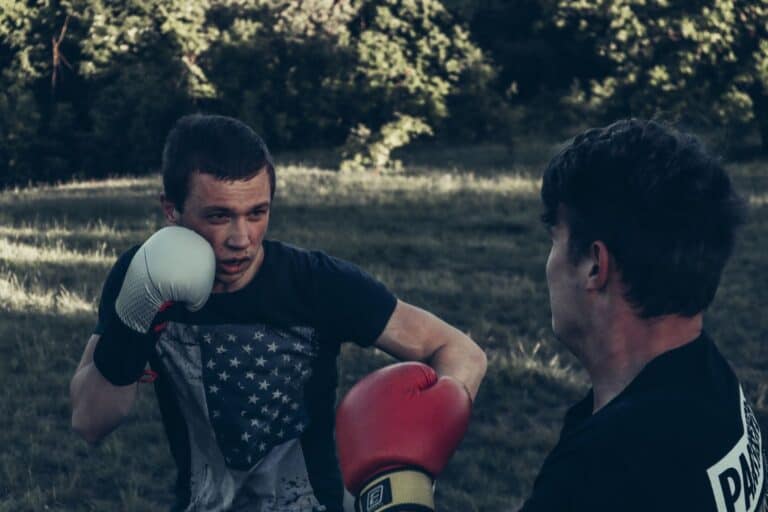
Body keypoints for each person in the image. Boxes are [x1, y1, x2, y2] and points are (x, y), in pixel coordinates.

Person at [69, 114, 487, 512]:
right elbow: (91, 421)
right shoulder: (140, 274)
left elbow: (460, 352)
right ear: (170, 209)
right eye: (218, 216)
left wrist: (415, 453)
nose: (241, 239)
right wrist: (137, 318)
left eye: (257, 213)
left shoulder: (316, 283)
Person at [520, 119, 766, 511]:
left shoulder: (606, 467)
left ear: (595, 266)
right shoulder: (711, 379)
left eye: (555, 240)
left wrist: (401, 485)